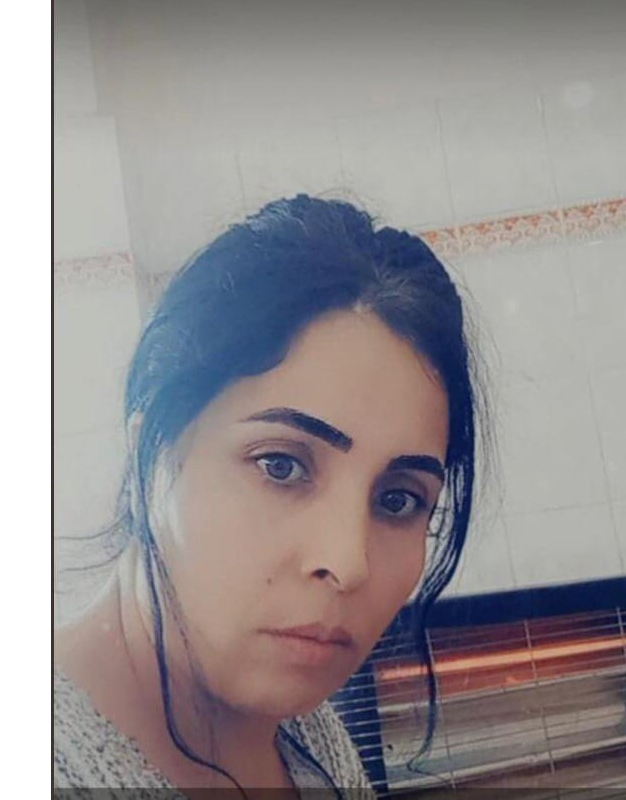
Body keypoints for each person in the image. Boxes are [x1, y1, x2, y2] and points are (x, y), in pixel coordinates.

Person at [53, 195, 486, 797]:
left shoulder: (310, 735)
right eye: (281, 466)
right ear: (150, 459)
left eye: (397, 501)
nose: (348, 562)